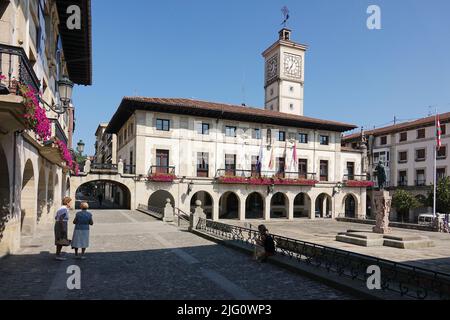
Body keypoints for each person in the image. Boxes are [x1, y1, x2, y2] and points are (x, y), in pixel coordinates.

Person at [54, 197, 72, 261]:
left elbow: (56, 217)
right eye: (70, 202)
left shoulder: (61, 208)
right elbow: (61, 219)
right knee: (61, 239)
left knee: (59, 239)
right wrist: (63, 229)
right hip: (61, 224)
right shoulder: (64, 209)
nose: (71, 204)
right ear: (67, 203)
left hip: (59, 224)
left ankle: (58, 253)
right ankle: (58, 255)